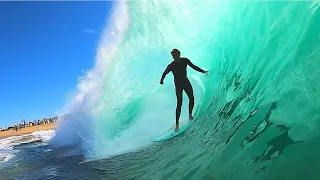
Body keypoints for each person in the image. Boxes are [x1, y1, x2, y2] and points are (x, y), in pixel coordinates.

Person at [160, 49, 207, 132]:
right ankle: (177, 124)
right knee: (179, 103)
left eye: (176, 55)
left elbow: (194, 67)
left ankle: (190, 115)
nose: (174, 57)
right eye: (173, 56)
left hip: (186, 82)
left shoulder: (185, 60)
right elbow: (164, 73)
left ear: (179, 54)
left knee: (191, 98)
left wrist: (203, 71)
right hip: (178, 85)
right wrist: (162, 80)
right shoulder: (171, 65)